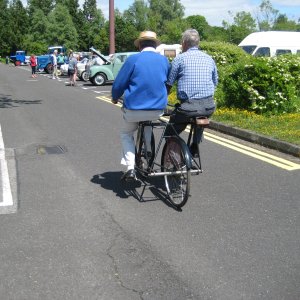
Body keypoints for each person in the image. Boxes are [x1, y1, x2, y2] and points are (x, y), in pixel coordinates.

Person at [111, 31, 170, 182]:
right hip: (157, 109)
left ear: (140, 46)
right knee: (148, 121)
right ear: (155, 45)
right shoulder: (164, 61)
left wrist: (115, 97)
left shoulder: (133, 59)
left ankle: (130, 168)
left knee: (126, 133)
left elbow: (119, 83)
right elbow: (168, 82)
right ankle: (149, 152)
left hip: (134, 109)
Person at [165, 28, 218, 157]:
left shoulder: (180, 59)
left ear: (184, 43)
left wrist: (161, 100)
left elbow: (169, 84)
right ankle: (194, 147)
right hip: (209, 106)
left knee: (170, 131)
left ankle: (176, 158)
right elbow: (215, 82)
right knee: (200, 118)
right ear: (198, 43)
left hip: (188, 107)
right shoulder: (209, 59)